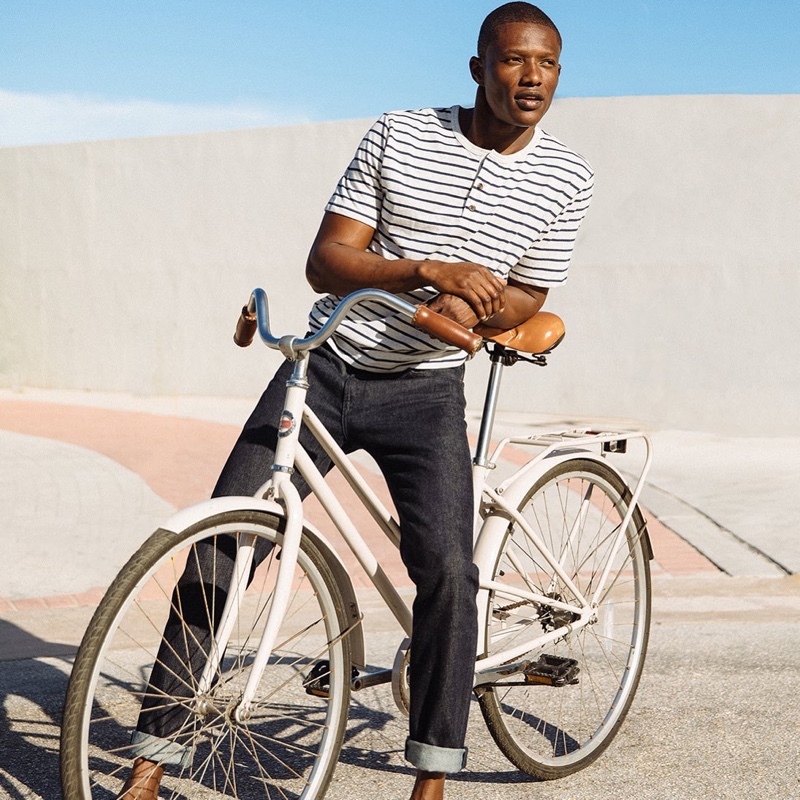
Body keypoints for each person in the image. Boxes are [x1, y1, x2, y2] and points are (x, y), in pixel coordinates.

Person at [119, 3, 593, 799]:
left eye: (546, 63)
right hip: (328, 365)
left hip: (429, 391)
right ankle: (149, 762)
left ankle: (434, 773)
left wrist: (482, 308)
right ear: (478, 68)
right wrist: (423, 272)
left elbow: (527, 295)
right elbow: (326, 260)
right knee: (221, 544)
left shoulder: (567, 178)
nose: (531, 77)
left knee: (446, 570)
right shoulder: (399, 134)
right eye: (512, 61)